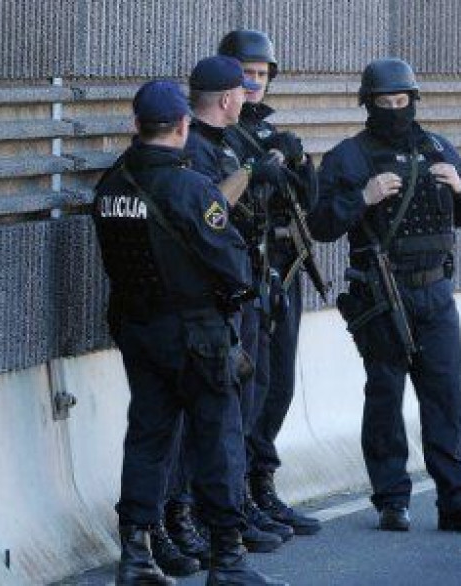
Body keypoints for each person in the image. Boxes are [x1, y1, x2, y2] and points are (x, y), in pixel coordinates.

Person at [92, 79, 288, 586]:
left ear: (136, 125)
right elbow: (233, 265)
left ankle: (136, 556)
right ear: (183, 126)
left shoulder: (111, 187)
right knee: (219, 439)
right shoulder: (190, 188)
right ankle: (228, 560)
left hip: (138, 330)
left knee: (148, 437)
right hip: (197, 334)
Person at [308, 58, 461, 535]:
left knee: (446, 398)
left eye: (402, 101)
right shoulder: (349, 157)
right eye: (384, 102)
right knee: (385, 396)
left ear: (414, 101)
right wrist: (363, 197)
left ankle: (458, 502)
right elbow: (321, 224)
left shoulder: (437, 147)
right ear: (367, 104)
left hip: (435, 292)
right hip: (381, 295)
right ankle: (392, 500)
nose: (395, 110)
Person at [164, 54, 291, 558]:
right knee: (207, 412)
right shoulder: (194, 148)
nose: (248, 95)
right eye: (242, 88)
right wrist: (253, 171)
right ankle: (190, 515)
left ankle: (231, 508)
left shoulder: (226, 141)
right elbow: (209, 210)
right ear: (224, 98)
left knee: (244, 402)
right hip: (204, 299)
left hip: (240, 286)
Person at [217, 29, 322, 537]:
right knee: (246, 388)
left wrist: (299, 163)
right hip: (245, 273)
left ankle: (261, 482)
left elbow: (311, 207)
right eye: (246, 74)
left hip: (282, 269)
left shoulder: (267, 132)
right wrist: (257, 168)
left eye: (262, 74)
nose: (255, 83)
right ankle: (236, 495)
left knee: (277, 384)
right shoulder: (221, 135)